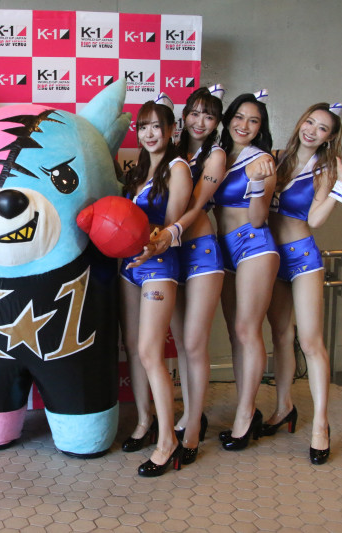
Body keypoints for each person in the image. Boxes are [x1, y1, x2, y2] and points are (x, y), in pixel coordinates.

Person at [264, 102, 342, 464]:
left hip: (303, 259)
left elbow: (315, 219)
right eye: (310, 122)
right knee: (280, 336)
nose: (312, 130)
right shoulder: (276, 157)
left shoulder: (325, 169)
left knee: (310, 341)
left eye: (322, 128)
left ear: (329, 137)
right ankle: (283, 408)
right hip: (270, 257)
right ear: (300, 123)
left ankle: (321, 425)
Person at [119, 94, 192, 476]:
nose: (149, 133)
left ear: (171, 129)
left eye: (156, 126)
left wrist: (139, 232)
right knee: (133, 347)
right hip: (129, 265)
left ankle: (168, 441)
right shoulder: (138, 172)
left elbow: (170, 225)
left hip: (160, 264)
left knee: (150, 351)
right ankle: (144, 421)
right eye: (143, 126)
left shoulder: (178, 168)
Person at [163, 84, 227, 464]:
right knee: (181, 344)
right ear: (184, 116)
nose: (201, 122)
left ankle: (191, 434)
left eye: (210, 116)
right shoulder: (173, 152)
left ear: (217, 123)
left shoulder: (215, 156)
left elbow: (196, 203)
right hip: (171, 253)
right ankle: (190, 414)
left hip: (201, 252)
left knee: (194, 343)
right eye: (195, 113)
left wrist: (171, 231)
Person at [212, 90, 279, 451]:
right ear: (229, 119)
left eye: (254, 121)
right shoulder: (220, 155)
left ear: (260, 128)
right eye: (239, 117)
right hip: (222, 250)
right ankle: (246, 406)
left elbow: (257, 218)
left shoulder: (262, 160)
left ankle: (244, 415)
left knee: (247, 330)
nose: (244, 125)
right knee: (235, 334)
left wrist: (256, 184)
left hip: (253, 245)